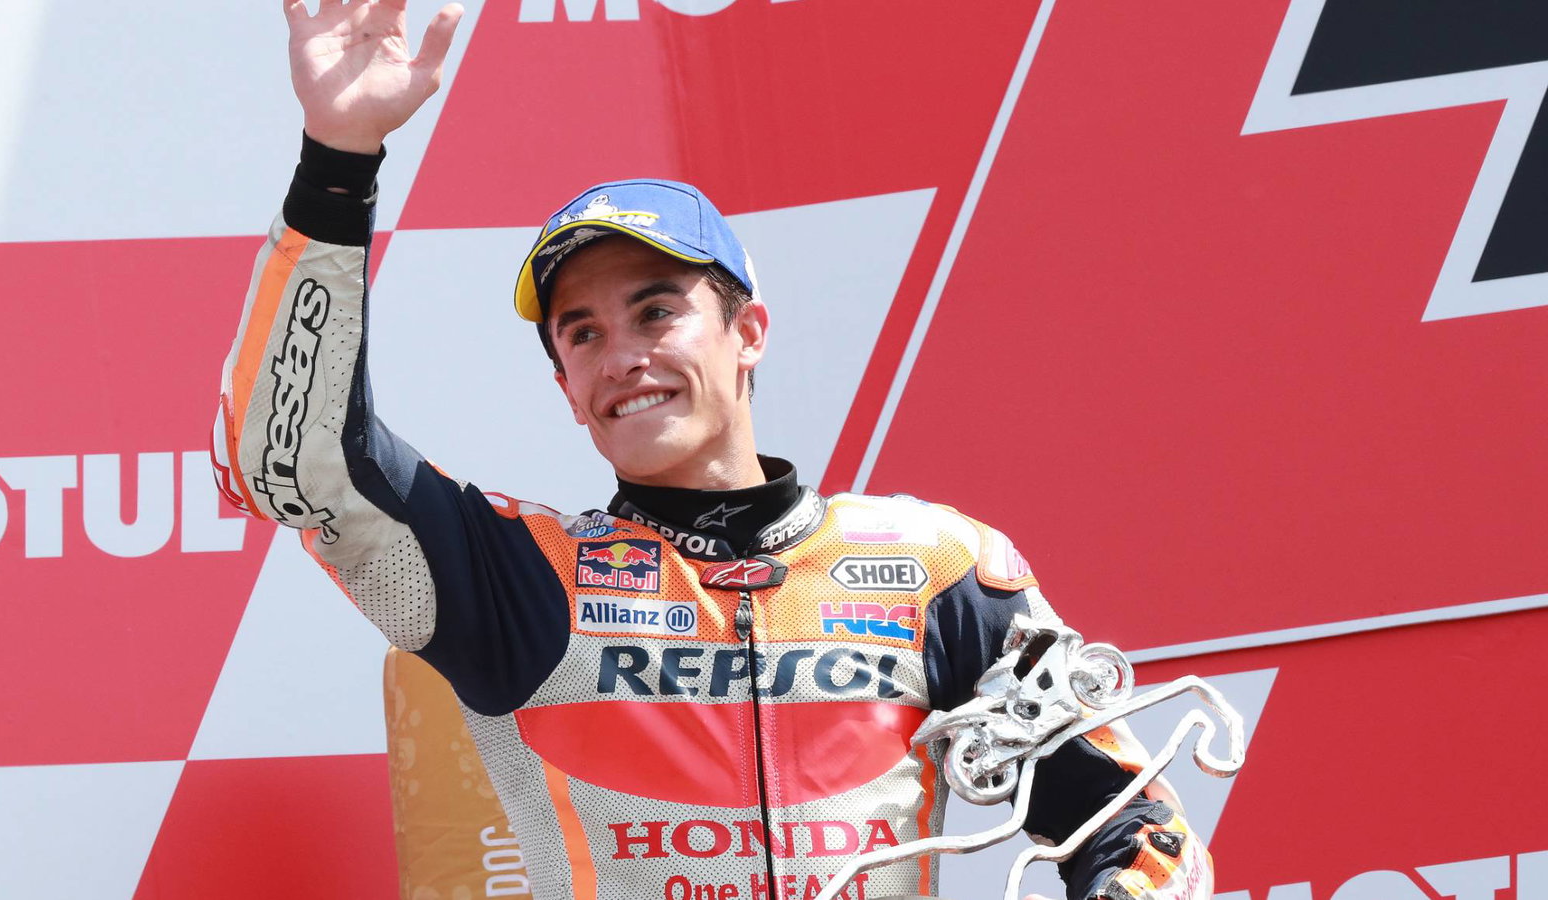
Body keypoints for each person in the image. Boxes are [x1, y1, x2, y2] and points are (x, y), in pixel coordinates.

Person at [212, 1, 1217, 897]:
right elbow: (294, 462)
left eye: (656, 311)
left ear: (749, 333)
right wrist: (338, 162)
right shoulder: (519, 578)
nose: (623, 356)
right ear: (565, 387)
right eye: (582, 333)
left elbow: (1137, 829)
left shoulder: (938, 571)